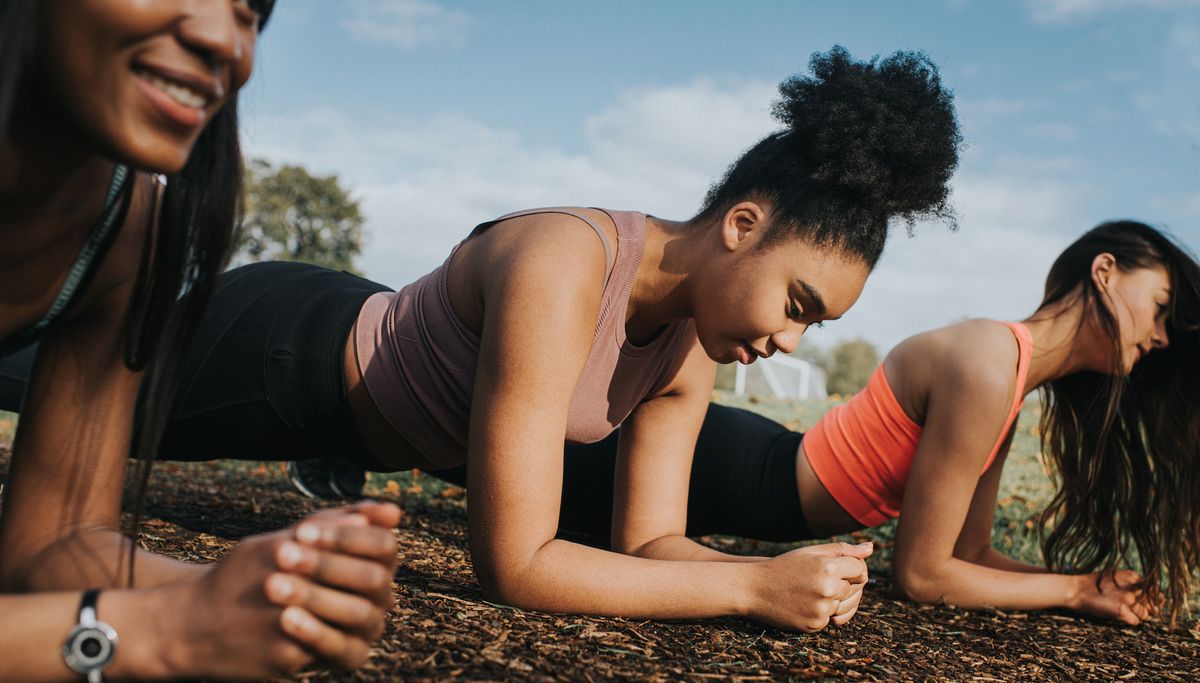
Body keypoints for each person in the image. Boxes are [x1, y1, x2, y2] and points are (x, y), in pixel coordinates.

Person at [1, 47, 964, 632]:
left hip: (357, 409)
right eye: (798, 301)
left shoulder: (690, 347)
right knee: (26, 366)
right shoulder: (566, 259)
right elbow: (517, 564)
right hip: (285, 354)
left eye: (817, 322)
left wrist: (775, 574)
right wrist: (750, 592)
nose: (793, 340)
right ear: (742, 225)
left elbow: (650, 539)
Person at [426, 220, 1196, 627]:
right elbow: (925, 578)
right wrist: (1071, 591)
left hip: (755, 474)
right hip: (744, 472)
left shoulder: (1010, 377)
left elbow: (970, 554)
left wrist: (1090, 588)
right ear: (1105, 271)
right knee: (468, 440)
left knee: (501, 453)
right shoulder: (987, 361)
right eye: (1161, 308)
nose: (1161, 337)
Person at [0, 1, 399, 678]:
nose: (222, 39)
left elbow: (54, 541)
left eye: (248, 10)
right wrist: (151, 633)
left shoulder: (126, 229)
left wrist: (244, 589)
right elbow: (145, 632)